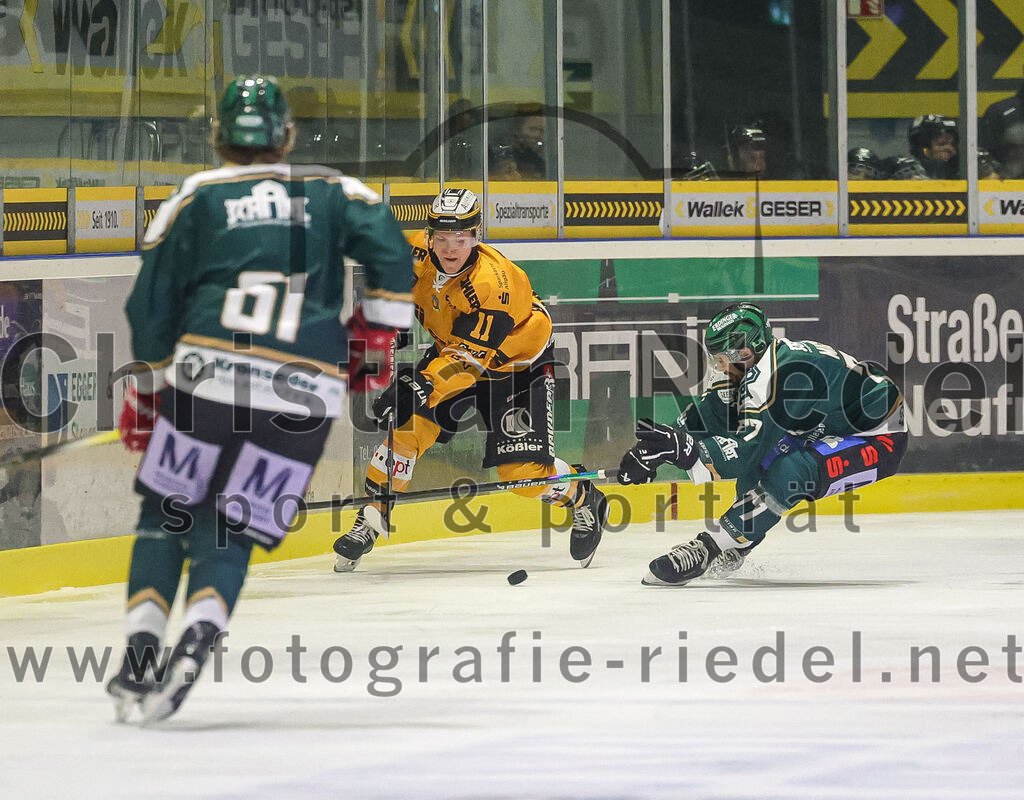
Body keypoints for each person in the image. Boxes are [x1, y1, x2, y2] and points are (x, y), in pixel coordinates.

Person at [105, 75, 415, 722]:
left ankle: (139, 650)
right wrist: (376, 335)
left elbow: (151, 304)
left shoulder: (198, 195)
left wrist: (150, 387)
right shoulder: (333, 191)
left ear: (217, 136)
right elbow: (389, 245)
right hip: (304, 397)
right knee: (233, 526)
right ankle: (200, 633)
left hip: (206, 381)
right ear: (289, 137)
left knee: (168, 514)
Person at [332, 187, 608, 572]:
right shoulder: (415, 254)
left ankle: (582, 496)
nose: (449, 248)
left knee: (523, 478)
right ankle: (371, 517)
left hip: (515, 366)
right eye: (442, 238)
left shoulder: (494, 285)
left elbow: (466, 364)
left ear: (476, 236)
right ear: (430, 236)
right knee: (405, 434)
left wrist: (419, 384)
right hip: (454, 351)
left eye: (459, 240)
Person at [617, 302, 908, 586]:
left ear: (745, 352)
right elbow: (712, 415)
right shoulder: (756, 366)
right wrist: (658, 446)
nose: (718, 368)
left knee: (790, 474)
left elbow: (746, 451)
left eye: (721, 359)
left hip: (880, 435)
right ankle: (738, 542)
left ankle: (707, 548)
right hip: (826, 424)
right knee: (759, 471)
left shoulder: (778, 376)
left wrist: (682, 450)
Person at [907, 114, 958, 179]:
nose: (949, 149)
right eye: (941, 144)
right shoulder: (906, 173)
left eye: (953, 144)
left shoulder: (966, 170)